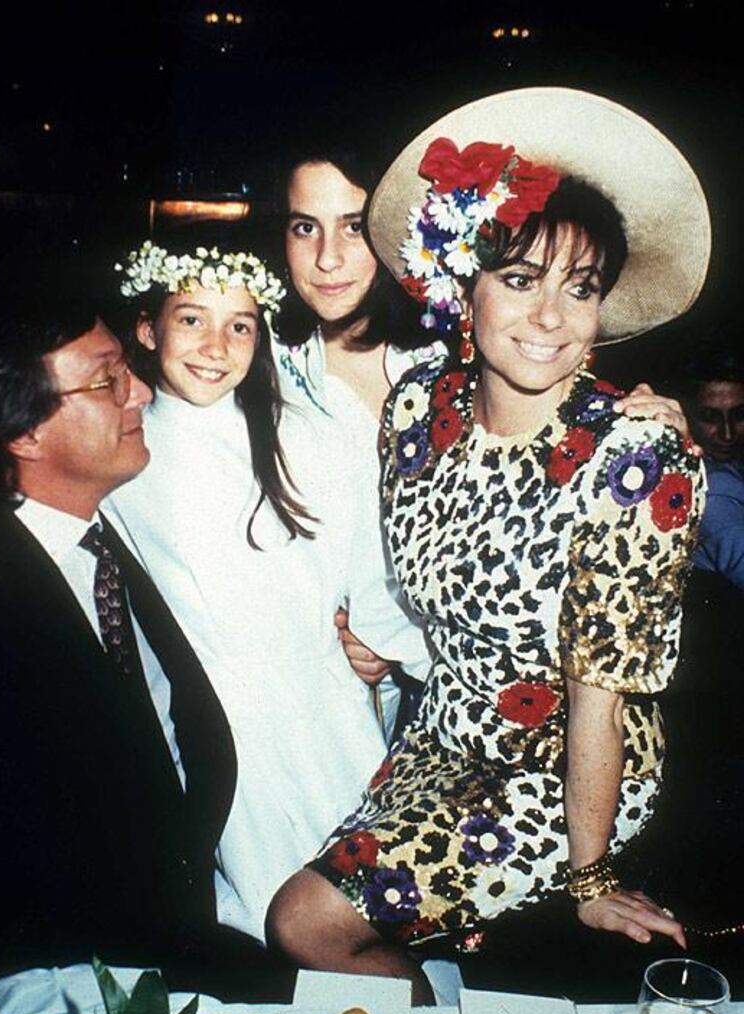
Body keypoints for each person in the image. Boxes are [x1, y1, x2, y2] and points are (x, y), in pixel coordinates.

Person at [266, 87, 709, 1002]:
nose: (550, 317)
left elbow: (600, 696)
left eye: (580, 288)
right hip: (442, 737)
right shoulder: (419, 407)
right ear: (463, 285)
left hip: (562, 768)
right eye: (518, 279)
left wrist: (590, 875)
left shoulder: (636, 456)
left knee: (304, 920)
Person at [0, 235, 431, 944]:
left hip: (325, 718)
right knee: (283, 926)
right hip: (212, 758)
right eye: (192, 319)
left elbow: (374, 581)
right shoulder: (124, 459)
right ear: (150, 328)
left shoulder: (310, 437)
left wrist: (383, 647)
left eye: (240, 326)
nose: (214, 347)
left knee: (374, 914)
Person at [270, 141, 697, 734]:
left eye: (353, 227)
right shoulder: (257, 370)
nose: (328, 259)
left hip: (494, 711)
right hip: (326, 692)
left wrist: (647, 431)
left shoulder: (468, 359)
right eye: (304, 227)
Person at [0, 276, 290, 999]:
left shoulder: (100, 534)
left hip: (188, 932)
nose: (141, 394)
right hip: (74, 985)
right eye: (108, 382)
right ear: (24, 432)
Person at [683, 346, 744, 590]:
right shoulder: (713, 489)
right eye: (709, 416)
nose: (727, 434)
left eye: (739, 415)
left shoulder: (729, 464)